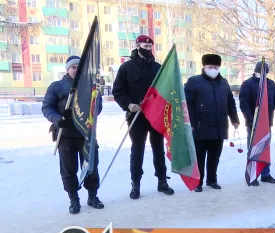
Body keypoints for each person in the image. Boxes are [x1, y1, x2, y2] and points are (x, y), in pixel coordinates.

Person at [112, 34, 174, 199]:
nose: (147, 50)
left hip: (155, 115)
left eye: (149, 47)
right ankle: (135, 184)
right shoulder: (127, 68)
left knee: (158, 149)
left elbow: (166, 90)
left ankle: (162, 181)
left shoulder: (158, 68)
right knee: (137, 150)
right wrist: (129, 104)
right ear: (137, 46)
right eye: (144, 47)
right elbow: (117, 91)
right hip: (136, 115)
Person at [42, 56, 104, 214]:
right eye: (73, 67)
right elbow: (47, 107)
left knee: (90, 167)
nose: (76, 69)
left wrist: (94, 103)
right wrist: (58, 119)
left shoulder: (90, 86)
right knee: (69, 170)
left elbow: (98, 108)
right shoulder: (57, 87)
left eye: (78, 67)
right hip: (66, 136)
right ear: (67, 69)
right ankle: (74, 199)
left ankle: (92, 196)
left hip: (86, 134)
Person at [185, 54, 240, 192]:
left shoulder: (224, 83)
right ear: (204, 67)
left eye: (216, 67)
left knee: (215, 156)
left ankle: (212, 179)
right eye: (210, 67)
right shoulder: (194, 81)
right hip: (199, 126)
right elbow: (187, 104)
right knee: (200, 156)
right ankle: (198, 182)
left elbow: (230, 102)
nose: (213, 69)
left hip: (219, 126)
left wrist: (234, 119)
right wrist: (190, 122)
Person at [239, 61, 275, 186]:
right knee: (254, 149)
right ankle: (253, 175)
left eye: (265, 73)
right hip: (253, 124)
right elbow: (244, 104)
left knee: (265, 148)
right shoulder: (247, 84)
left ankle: (265, 174)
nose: (263, 75)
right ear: (256, 72)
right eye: (260, 72)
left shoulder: (271, 84)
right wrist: (251, 119)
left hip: (267, 122)